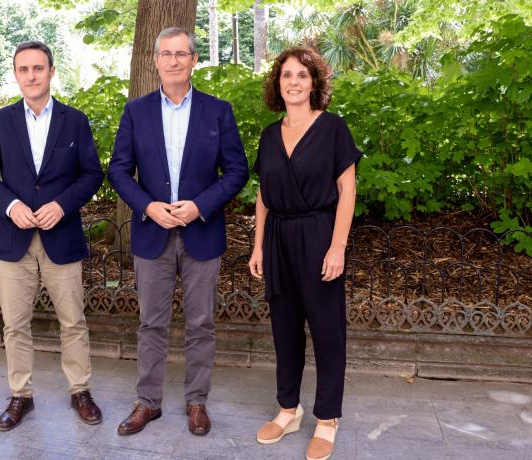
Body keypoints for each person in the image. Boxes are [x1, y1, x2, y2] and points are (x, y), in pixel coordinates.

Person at [107, 27, 249, 436]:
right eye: (165, 53)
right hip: (152, 231)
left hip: (201, 232)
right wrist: (148, 206)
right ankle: (148, 403)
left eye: (181, 53)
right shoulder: (136, 111)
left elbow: (237, 170)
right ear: (155, 60)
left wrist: (200, 205)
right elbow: (118, 169)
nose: (173, 60)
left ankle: (197, 401)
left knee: (201, 323)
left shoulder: (217, 110)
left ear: (193, 59)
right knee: (151, 323)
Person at [0, 41, 104, 431]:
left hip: (60, 237)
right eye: (23, 69)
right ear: (16, 74)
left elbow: (92, 174)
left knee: (73, 321)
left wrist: (61, 205)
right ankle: (20, 396)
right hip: (14, 239)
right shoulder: (0, 120)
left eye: (38, 68)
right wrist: (11, 206)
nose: (31, 75)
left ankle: (80, 390)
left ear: (50, 71)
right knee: (15, 323)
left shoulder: (74, 120)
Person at [248, 47, 361, 460]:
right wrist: (258, 244)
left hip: (319, 233)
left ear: (314, 82)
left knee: (327, 330)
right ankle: (288, 410)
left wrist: (338, 245)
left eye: (301, 75)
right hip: (278, 235)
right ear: (277, 84)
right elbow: (262, 195)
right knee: (285, 328)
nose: (293, 82)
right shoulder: (268, 134)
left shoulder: (333, 129)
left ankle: (327, 419)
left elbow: (347, 190)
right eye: (286, 75)